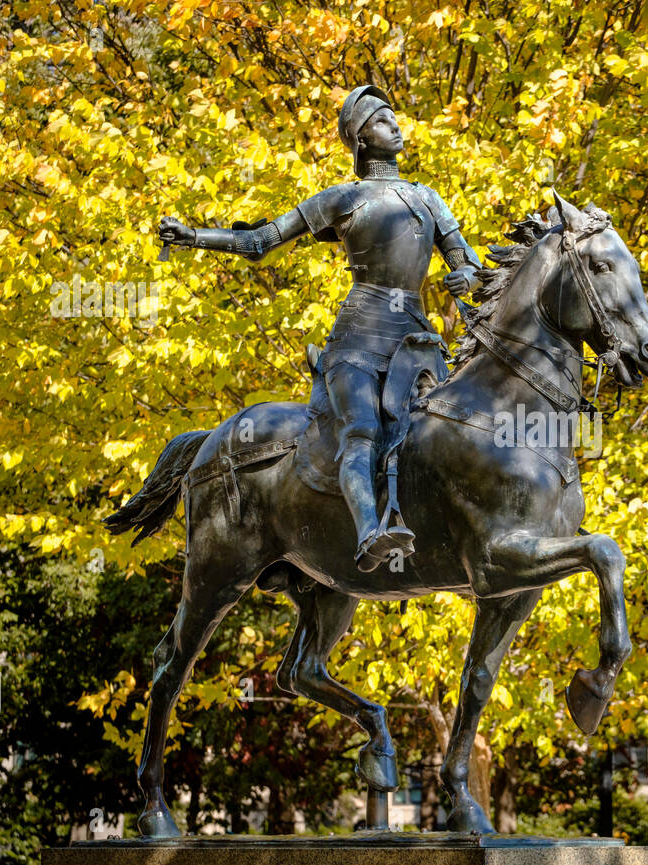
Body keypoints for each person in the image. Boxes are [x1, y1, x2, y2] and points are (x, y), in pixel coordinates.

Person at [158, 85, 483, 572]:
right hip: (357, 342)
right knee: (363, 432)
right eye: (381, 120)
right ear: (361, 140)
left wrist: (473, 279)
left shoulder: (428, 199)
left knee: (452, 431)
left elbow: (469, 268)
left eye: (394, 118)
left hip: (417, 344)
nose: (395, 126)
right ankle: (370, 530)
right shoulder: (343, 199)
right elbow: (260, 242)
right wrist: (195, 237)